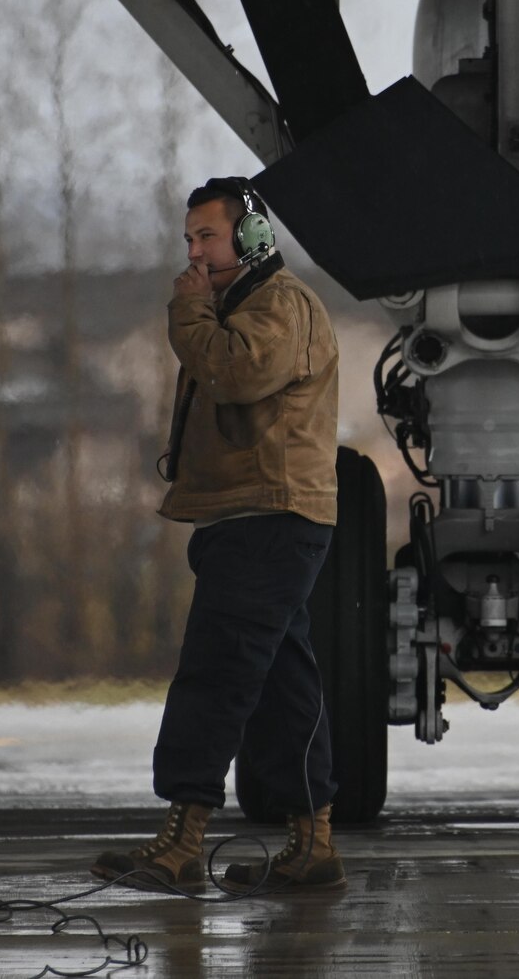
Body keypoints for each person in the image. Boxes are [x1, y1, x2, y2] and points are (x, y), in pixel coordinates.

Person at [91, 177, 346, 893]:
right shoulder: (247, 303)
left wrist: (188, 308)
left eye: (207, 236)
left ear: (253, 236)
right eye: (189, 240)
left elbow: (234, 371)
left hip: (268, 518)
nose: (195, 253)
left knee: (216, 674)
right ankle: (313, 842)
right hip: (258, 516)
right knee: (282, 684)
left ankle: (182, 839)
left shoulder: (279, 305)